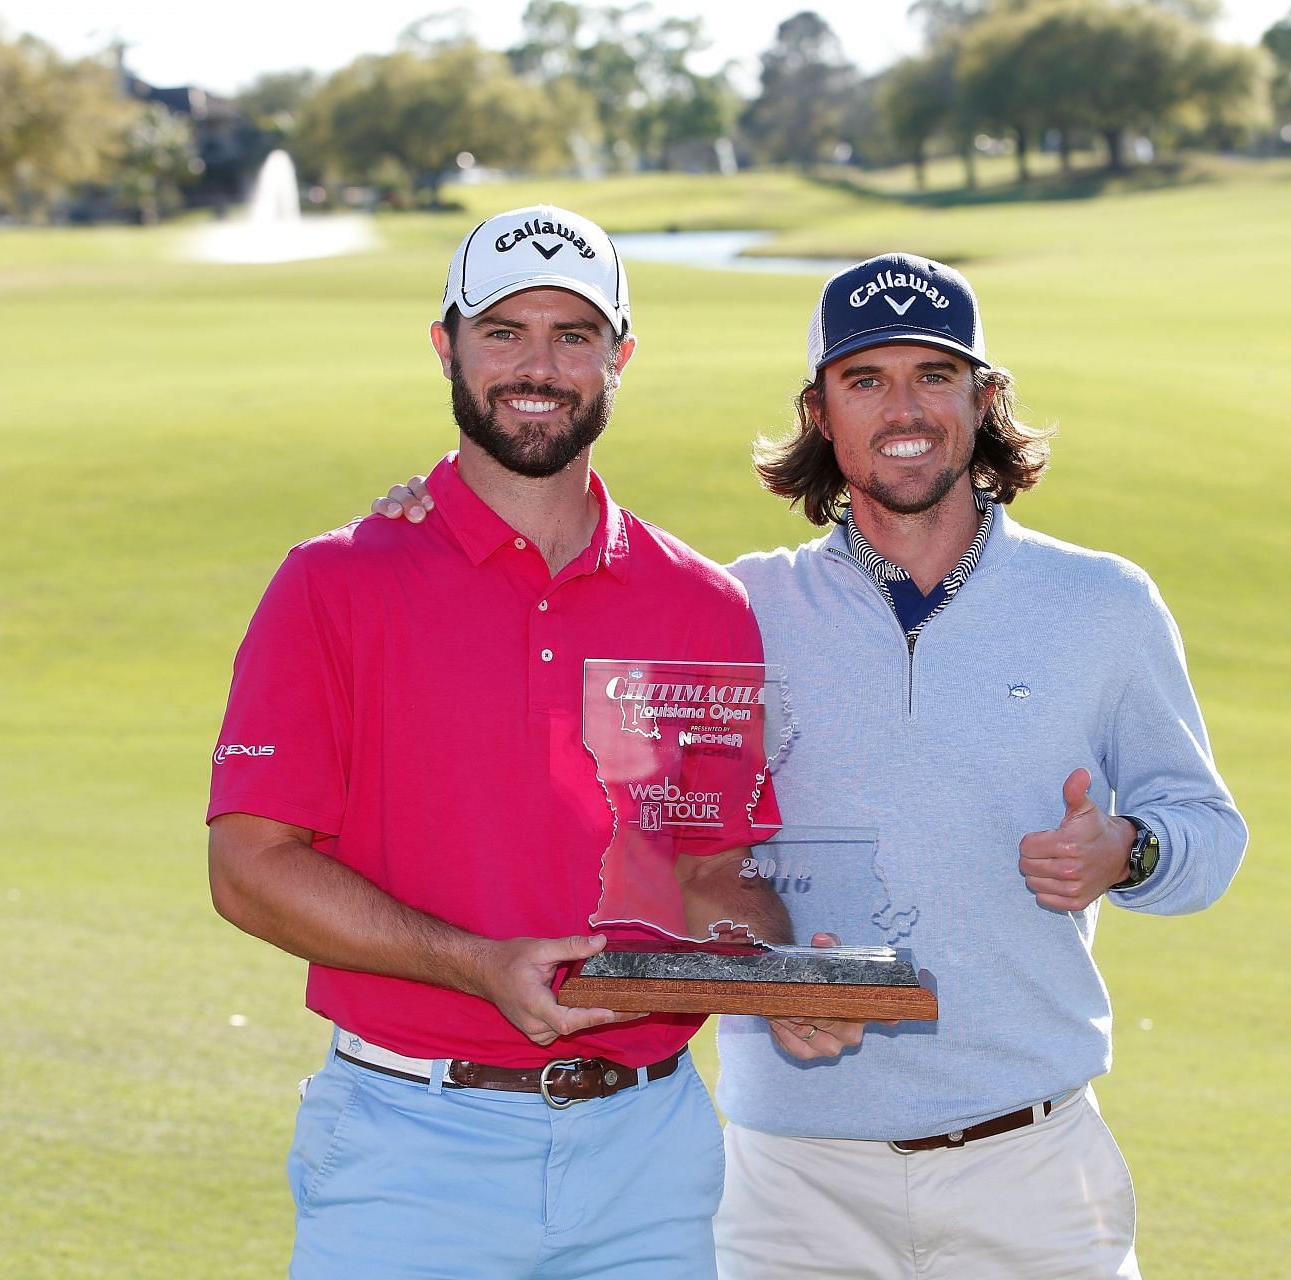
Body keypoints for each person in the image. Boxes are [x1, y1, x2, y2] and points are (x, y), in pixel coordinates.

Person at [374, 252, 1247, 1279]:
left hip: (1032, 1163)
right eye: (865, 379)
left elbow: (1208, 834)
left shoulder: (1103, 604)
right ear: (821, 413)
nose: (903, 406)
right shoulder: (736, 609)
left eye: (934, 372)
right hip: (792, 1183)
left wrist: (1129, 850)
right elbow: (589, 721)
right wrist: (430, 530)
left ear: (984, 396)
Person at [208, 204, 856, 1280]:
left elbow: (708, 874)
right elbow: (249, 870)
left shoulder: (701, 604)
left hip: (648, 1157)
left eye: (573, 334)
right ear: (447, 345)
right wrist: (475, 964)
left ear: (620, 356)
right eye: (504, 331)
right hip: (412, 1147)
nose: (538, 365)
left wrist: (774, 966)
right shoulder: (335, 583)